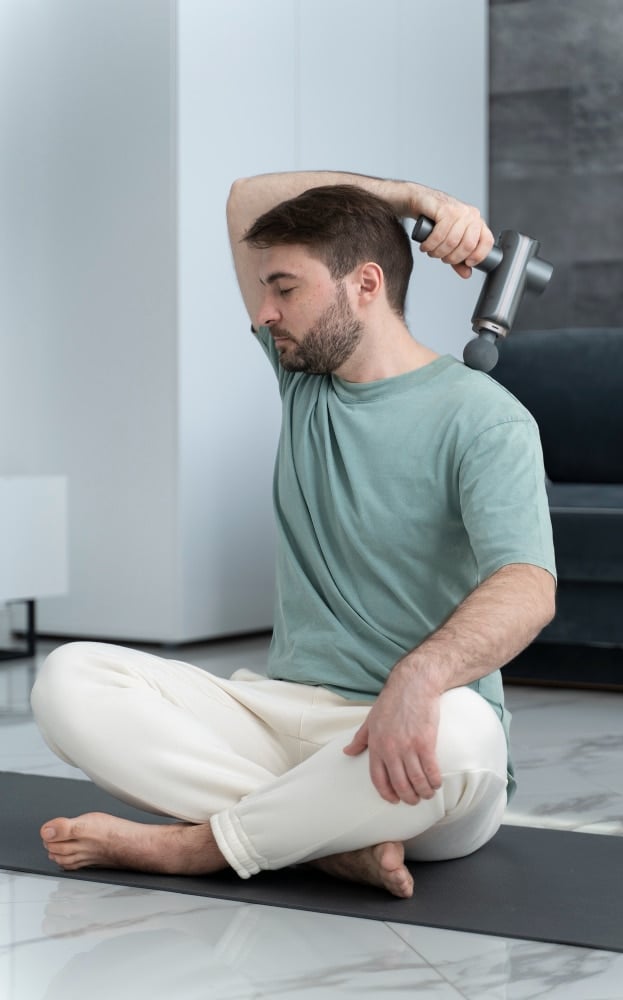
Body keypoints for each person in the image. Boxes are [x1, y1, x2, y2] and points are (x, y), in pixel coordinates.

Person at [31, 170, 556, 898]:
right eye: (265, 291)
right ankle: (317, 842)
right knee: (69, 679)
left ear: (364, 285)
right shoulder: (304, 377)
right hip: (285, 719)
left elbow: (526, 586)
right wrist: (416, 201)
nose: (266, 311)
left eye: (285, 288)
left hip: (408, 737)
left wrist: (421, 674)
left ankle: (205, 845)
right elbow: (248, 199)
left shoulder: (485, 418)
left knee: (466, 736)